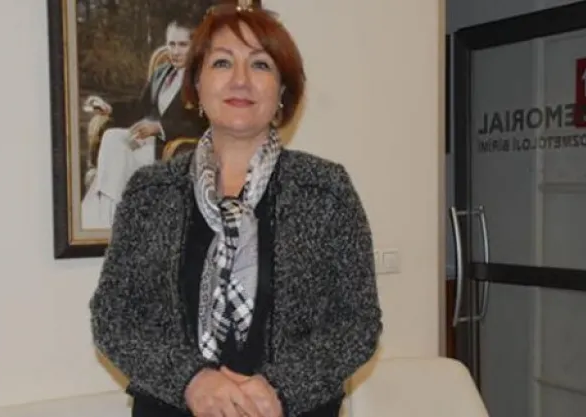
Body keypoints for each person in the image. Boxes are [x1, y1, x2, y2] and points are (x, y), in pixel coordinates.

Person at [89, 3, 383, 417]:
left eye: (260, 64)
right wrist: (191, 381)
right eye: (222, 62)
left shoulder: (325, 189)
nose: (240, 80)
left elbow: (358, 323)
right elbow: (112, 317)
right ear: (197, 84)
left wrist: (280, 388)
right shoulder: (149, 192)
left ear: (282, 90)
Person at [81, 19, 208, 229]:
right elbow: (139, 108)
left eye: (182, 45)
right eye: (171, 44)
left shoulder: (202, 78)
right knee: (112, 137)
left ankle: (110, 220)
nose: (175, 51)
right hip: (146, 143)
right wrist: (109, 108)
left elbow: (202, 124)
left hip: (170, 149)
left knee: (116, 154)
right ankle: (110, 216)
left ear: (195, 46)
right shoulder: (161, 73)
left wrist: (159, 128)